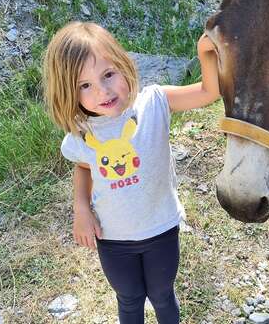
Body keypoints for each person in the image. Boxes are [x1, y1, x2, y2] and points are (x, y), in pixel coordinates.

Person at [42, 21, 219, 324]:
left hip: (160, 230)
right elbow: (84, 168)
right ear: (69, 92)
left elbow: (208, 92)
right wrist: (81, 208)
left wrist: (206, 53)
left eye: (108, 74)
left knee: (163, 295)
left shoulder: (154, 102)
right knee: (129, 299)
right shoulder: (81, 133)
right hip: (113, 239)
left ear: (123, 64)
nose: (103, 91)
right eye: (85, 85)